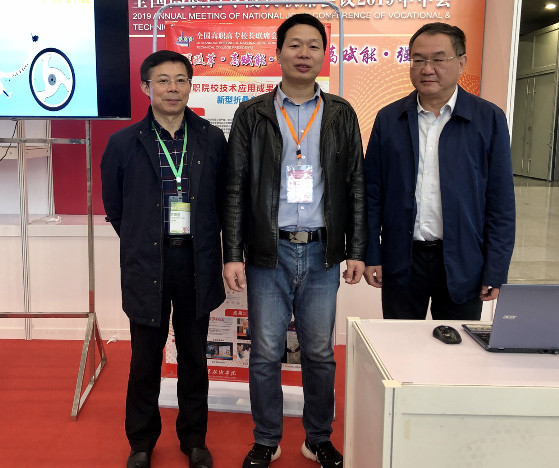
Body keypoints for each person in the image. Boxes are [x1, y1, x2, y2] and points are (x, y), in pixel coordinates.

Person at [222, 13, 367, 468]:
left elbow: (356, 184)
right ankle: (267, 439)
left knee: (320, 352)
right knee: (266, 352)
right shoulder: (252, 113)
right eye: (295, 45)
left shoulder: (340, 112)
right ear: (279, 52)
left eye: (313, 46)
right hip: (269, 251)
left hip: (323, 252)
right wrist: (232, 253)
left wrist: (357, 249)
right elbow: (235, 186)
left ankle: (317, 438)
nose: (304, 54)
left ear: (324, 55)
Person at [100, 50, 227, 468]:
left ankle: (194, 440)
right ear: (146, 87)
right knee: (144, 359)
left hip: (196, 263)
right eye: (163, 80)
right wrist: (145, 241)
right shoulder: (123, 143)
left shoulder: (211, 138)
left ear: (190, 85)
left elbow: (223, 201)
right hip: (148, 265)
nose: (173, 88)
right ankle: (141, 442)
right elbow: (116, 208)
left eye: (180, 80)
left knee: (194, 356)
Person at [363, 22, 515, 320]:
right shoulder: (389, 119)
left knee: (458, 345)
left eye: (438, 59)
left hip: (463, 260)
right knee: (400, 344)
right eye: (418, 59)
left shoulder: (488, 119)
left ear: (461, 62)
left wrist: (496, 269)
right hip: (402, 259)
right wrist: (372, 254)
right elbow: (372, 195)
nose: (427, 69)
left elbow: (500, 203)